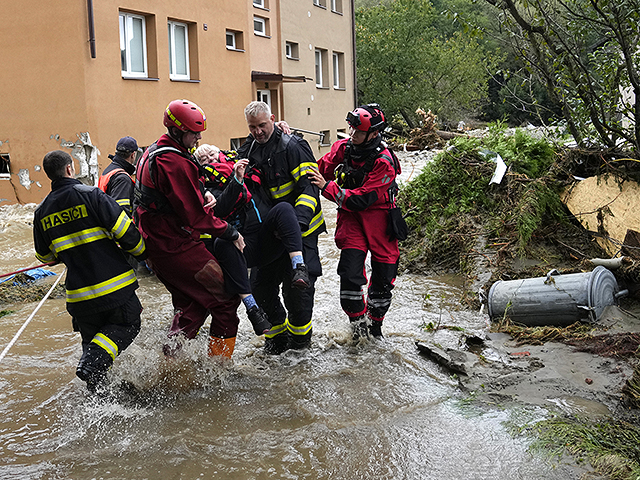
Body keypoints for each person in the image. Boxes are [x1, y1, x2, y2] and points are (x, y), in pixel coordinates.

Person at [133, 99, 269, 359]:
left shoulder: (155, 151)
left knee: (193, 303)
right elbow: (196, 218)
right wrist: (231, 232)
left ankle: (170, 362)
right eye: (194, 133)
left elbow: (169, 195)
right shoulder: (173, 162)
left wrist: (203, 192)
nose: (197, 138)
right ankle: (218, 368)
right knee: (225, 299)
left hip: (156, 243)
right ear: (177, 131)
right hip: (174, 246)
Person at [33, 150, 147, 392]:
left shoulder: (41, 212)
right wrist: (143, 253)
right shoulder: (92, 195)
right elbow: (125, 231)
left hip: (80, 298)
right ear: (70, 169)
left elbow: (45, 257)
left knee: (93, 344)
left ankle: (99, 400)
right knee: (129, 325)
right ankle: (92, 363)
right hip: (115, 288)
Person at [235, 101, 325, 354]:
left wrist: (295, 224)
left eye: (263, 125)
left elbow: (309, 189)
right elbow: (227, 166)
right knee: (260, 288)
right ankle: (276, 341)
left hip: (301, 232)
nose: (258, 132)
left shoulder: (293, 146)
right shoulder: (249, 149)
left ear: (273, 119)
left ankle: (300, 348)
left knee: (298, 293)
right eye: (253, 127)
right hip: (269, 234)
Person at [307, 104, 400, 340]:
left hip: (380, 218)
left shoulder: (385, 161)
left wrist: (327, 188)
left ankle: (375, 327)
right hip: (351, 220)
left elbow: (364, 198)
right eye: (351, 130)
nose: (352, 135)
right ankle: (358, 328)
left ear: (374, 133)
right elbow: (320, 168)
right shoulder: (344, 148)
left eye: (358, 132)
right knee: (349, 275)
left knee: (383, 280)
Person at [98, 136, 141, 218]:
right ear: (133, 155)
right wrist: (132, 230)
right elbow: (120, 213)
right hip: (122, 229)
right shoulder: (122, 178)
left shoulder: (109, 171)